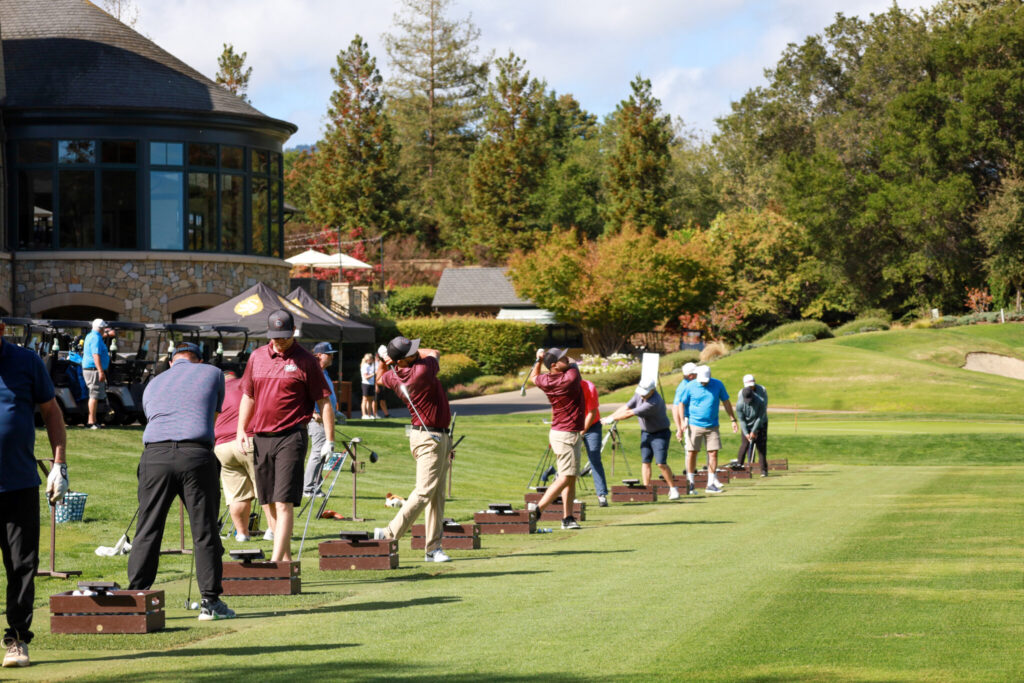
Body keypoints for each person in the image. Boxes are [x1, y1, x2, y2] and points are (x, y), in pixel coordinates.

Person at [127, 342, 234, 621]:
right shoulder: (212, 372)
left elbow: (152, 415)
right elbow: (212, 412)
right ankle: (210, 602)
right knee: (204, 530)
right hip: (195, 453)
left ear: (172, 361)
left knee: (147, 528)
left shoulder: (154, 381)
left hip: (154, 455)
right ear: (198, 360)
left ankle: (136, 597)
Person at [236, 310, 333, 562]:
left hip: (292, 436)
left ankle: (276, 561)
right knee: (266, 500)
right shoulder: (256, 357)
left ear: (293, 333)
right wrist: (241, 430)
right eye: (274, 336)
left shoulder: (307, 361)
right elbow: (248, 396)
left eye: (283, 336)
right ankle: (286, 559)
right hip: (261, 436)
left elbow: (323, 401)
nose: (279, 341)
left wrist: (329, 440)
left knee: (283, 501)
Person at [0, 321, 68, 668]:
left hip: (18, 483)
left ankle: (16, 639)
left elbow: (51, 411)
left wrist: (59, 465)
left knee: (22, 566)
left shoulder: (26, 362)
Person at [372, 336, 454, 562]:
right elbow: (435, 351)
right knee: (424, 491)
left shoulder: (394, 375)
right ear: (404, 360)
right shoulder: (422, 371)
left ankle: (433, 548)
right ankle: (389, 533)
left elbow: (380, 378)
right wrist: (392, 358)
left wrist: (383, 360)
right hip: (429, 437)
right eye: (412, 351)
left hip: (435, 436)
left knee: (437, 496)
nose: (417, 352)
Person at [213, 370, 275, 542]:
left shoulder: (215, 390)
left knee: (237, 494)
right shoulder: (244, 385)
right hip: (248, 440)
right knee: (265, 489)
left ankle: (242, 534)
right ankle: (273, 530)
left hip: (222, 447)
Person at [527, 348, 584, 530]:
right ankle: (537, 510)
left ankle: (568, 518)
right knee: (566, 476)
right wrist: (570, 362)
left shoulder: (546, 380)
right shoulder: (570, 377)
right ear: (554, 365)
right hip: (567, 434)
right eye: (562, 358)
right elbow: (574, 362)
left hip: (561, 432)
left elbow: (533, 378)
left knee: (571, 477)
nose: (566, 359)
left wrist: (538, 359)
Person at [603, 378, 680, 499]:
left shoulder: (654, 402)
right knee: (645, 461)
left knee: (660, 463)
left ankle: (673, 489)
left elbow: (629, 413)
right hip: (646, 433)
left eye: (645, 392)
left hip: (660, 434)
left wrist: (612, 419)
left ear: (652, 390)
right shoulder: (639, 394)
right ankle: (647, 490)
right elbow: (626, 407)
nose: (642, 394)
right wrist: (610, 416)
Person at [678, 365, 738, 494]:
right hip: (694, 424)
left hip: (713, 425)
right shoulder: (690, 386)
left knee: (713, 453)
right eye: (702, 381)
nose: (704, 383)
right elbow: (681, 403)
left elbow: (726, 402)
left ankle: (710, 484)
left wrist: (733, 419)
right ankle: (691, 483)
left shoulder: (718, 384)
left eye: (706, 380)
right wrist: (683, 422)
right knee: (692, 452)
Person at [303, 342, 339, 498]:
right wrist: (312, 412)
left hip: (326, 418)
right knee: (318, 452)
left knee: (324, 453)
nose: (332, 356)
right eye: (329, 354)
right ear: (318, 355)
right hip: (317, 418)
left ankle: (315, 487)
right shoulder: (312, 371)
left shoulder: (324, 372)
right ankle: (309, 488)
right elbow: (303, 394)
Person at [731, 374, 769, 476]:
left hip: (760, 422)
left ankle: (763, 470)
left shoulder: (761, 396)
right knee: (744, 444)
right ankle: (739, 467)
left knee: (761, 446)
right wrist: (747, 433)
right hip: (747, 424)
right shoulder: (740, 401)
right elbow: (741, 419)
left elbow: (761, 416)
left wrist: (754, 430)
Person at [580, 377, 609, 506]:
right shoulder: (565, 385)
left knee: (594, 459)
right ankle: (566, 495)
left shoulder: (589, 387)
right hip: (572, 425)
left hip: (592, 425)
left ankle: (601, 494)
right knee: (568, 459)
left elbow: (592, 413)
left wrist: (582, 431)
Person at [671, 362, 698, 494]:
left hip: (694, 421)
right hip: (687, 421)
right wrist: (679, 427)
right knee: (690, 451)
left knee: (693, 451)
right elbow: (675, 408)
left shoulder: (692, 383)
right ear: (691, 375)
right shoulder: (683, 387)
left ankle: (691, 482)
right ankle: (690, 485)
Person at [81, 317, 110, 429]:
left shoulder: (91, 335)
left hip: (92, 369)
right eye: (103, 328)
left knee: (95, 395)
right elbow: (96, 355)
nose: (104, 330)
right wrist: (101, 371)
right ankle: (91, 422)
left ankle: (94, 421)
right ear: (100, 328)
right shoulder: (96, 338)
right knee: (94, 395)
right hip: (93, 370)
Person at [360, 352, 376, 419]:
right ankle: (364, 415)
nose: (372, 359)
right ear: (367, 359)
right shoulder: (365, 366)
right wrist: (374, 374)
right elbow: (366, 377)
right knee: (365, 399)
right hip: (366, 384)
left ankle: (369, 415)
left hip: (371, 384)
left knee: (370, 400)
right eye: (371, 358)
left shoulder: (370, 366)